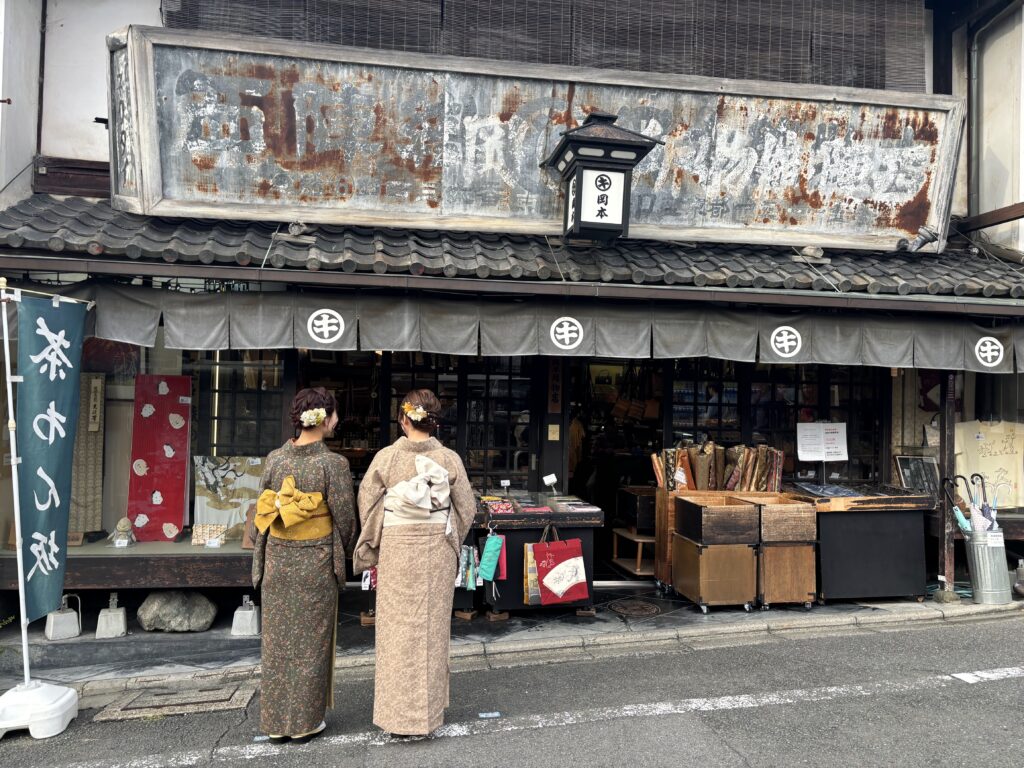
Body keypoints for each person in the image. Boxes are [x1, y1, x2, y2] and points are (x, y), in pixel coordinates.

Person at [353, 388, 476, 738]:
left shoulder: (387, 458)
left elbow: (368, 502)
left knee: (395, 631)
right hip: (435, 550)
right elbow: (465, 508)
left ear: (403, 419)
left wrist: (377, 539)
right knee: (431, 631)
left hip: (397, 550)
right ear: (433, 421)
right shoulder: (449, 459)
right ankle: (426, 716)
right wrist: (450, 539)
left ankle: (397, 717)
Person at [250, 387, 355, 744]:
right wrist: (341, 552)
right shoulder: (333, 464)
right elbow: (345, 521)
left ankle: (277, 723)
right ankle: (306, 722)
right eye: (335, 415)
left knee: (278, 644)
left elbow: (262, 511)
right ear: (324, 420)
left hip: (279, 557)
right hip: (315, 562)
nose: (336, 421)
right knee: (311, 642)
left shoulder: (275, 459)